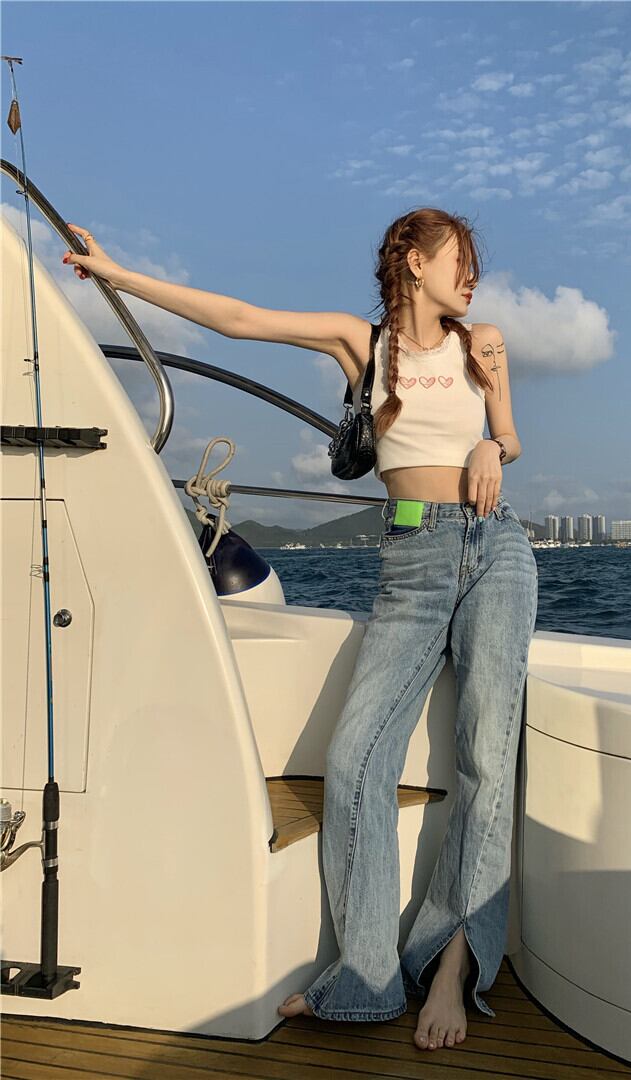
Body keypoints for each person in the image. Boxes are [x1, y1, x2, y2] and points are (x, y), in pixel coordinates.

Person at [62, 208, 538, 1053]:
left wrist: (492, 450)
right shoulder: (363, 345)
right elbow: (241, 319)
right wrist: (116, 274)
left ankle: (453, 965)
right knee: (355, 759)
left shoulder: (485, 343)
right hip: (412, 560)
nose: (473, 277)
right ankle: (366, 977)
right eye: (460, 260)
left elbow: (507, 432)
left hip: (496, 550)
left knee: (485, 760)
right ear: (414, 261)